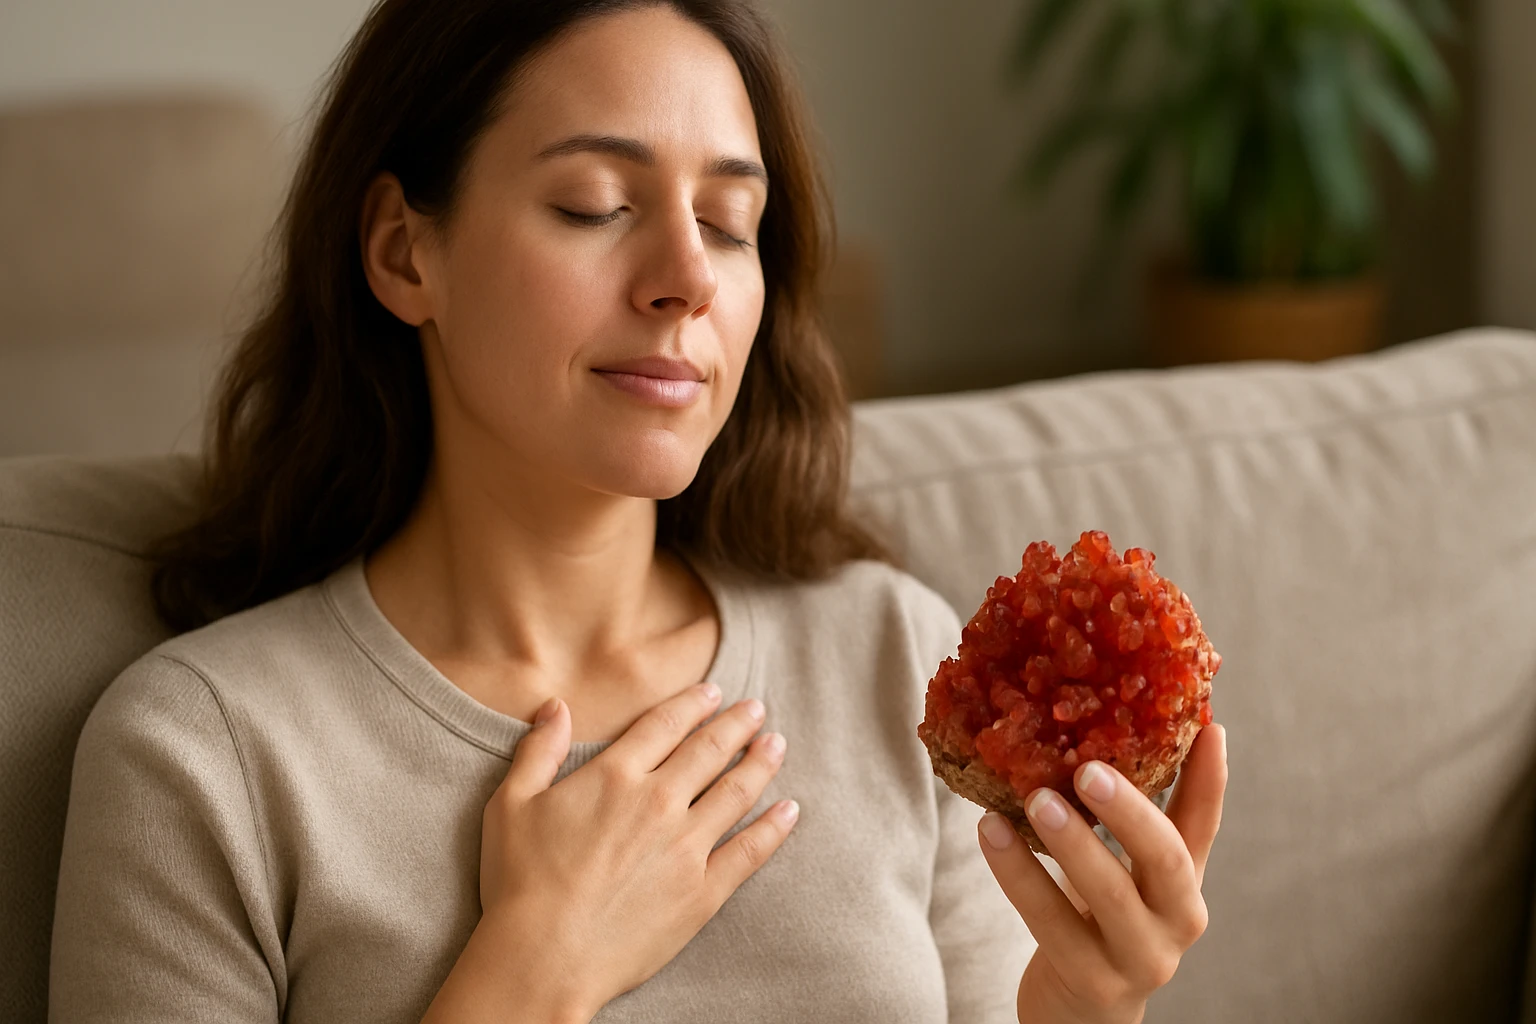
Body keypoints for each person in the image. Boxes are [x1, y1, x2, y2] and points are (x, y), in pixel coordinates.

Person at [48, 1, 1227, 1022]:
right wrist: (530, 974)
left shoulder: (893, 657)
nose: (688, 277)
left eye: (727, 222)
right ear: (406, 252)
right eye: (596, 203)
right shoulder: (201, 756)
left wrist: (1086, 1006)